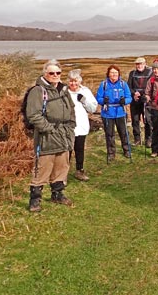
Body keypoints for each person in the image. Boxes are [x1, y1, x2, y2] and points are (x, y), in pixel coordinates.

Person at [26, 59, 76, 212]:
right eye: (51, 73)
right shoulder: (38, 91)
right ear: (45, 74)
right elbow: (33, 115)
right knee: (43, 167)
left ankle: (57, 194)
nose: (55, 75)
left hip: (64, 134)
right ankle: (35, 200)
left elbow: (71, 109)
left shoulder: (64, 90)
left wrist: (71, 126)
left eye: (58, 73)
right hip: (46, 136)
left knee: (62, 166)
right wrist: (49, 128)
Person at [96, 65, 132, 162]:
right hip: (108, 113)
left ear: (118, 74)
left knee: (123, 133)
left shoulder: (123, 84)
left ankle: (127, 150)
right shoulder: (103, 84)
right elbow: (98, 98)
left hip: (120, 112)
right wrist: (104, 100)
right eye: (112, 72)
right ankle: (111, 153)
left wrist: (125, 100)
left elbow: (129, 97)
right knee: (109, 134)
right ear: (108, 74)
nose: (114, 74)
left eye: (116, 73)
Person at [67, 69, 98, 181]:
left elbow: (93, 109)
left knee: (79, 149)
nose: (73, 84)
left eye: (75, 81)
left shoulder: (85, 91)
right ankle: (62, 175)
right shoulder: (64, 92)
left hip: (81, 126)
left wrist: (84, 100)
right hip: (68, 127)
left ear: (80, 81)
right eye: (71, 81)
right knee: (67, 151)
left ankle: (79, 171)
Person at [128, 57, 153, 146]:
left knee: (147, 120)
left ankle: (148, 140)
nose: (139, 66)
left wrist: (144, 94)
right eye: (137, 64)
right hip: (135, 100)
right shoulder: (132, 74)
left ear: (145, 64)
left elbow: (151, 87)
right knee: (135, 120)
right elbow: (129, 87)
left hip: (146, 100)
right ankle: (137, 139)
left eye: (141, 64)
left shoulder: (150, 73)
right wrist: (134, 93)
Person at [144, 60, 158, 158]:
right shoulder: (151, 80)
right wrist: (146, 98)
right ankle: (155, 150)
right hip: (154, 108)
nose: (156, 71)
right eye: (154, 69)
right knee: (156, 130)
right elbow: (147, 93)